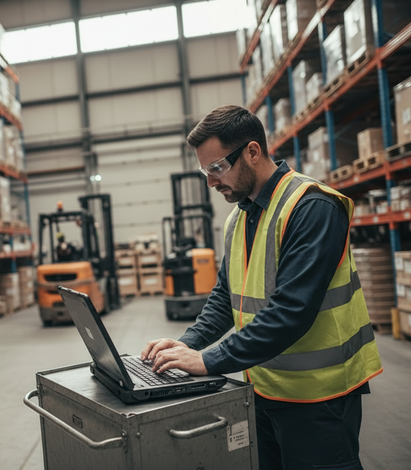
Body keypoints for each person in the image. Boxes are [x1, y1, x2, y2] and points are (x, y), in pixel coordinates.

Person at [141, 105, 383, 470]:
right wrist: (188, 342)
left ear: (252, 152)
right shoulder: (239, 216)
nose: (210, 182)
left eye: (217, 168)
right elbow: (226, 296)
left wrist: (209, 360)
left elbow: (292, 311)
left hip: (319, 396)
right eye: (204, 171)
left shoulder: (311, 207)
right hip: (261, 387)